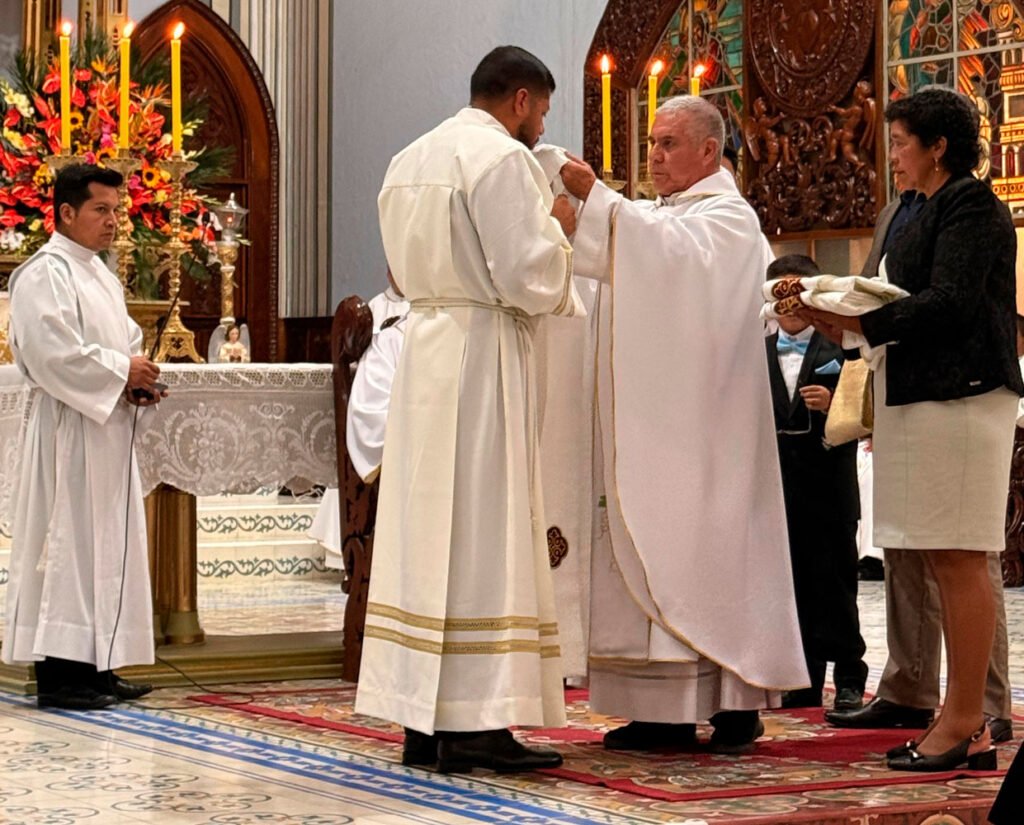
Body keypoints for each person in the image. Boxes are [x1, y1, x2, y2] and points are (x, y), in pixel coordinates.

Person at [353, 46, 582, 773]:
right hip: (483, 353)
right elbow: (527, 274)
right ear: (519, 99)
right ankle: (478, 720)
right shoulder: (499, 159)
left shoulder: (407, 158)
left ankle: (425, 720)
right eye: (542, 112)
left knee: (429, 538)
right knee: (485, 531)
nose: (542, 128)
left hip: (426, 350)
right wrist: (563, 232)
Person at [560, 96, 808, 753]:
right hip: (659, 427)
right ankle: (656, 709)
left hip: (707, 435)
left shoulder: (729, 218)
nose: (655, 155)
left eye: (670, 143)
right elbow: (631, 260)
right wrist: (581, 224)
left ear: (709, 151)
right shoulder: (660, 218)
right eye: (652, 142)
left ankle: (732, 704)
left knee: (708, 559)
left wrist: (600, 204)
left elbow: (669, 262)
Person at [803, 88, 1022, 771]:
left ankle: (968, 719)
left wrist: (862, 320)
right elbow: (897, 290)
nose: (891, 155)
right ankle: (953, 712)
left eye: (900, 143)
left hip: (963, 393)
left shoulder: (973, 207)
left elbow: (953, 302)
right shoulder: (916, 211)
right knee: (937, 554)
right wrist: (840, 309)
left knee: (960, 555)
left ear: (939, 148)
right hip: (922, 393)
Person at [2, 164, 163, 709]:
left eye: (117, 210)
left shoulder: (100, 274)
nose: (113, 221)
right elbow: (52, 354)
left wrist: (136, 377)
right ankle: (62, 675)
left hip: (108, 429)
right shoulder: (44, 273)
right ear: (66, 213)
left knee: (105, 547)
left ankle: (99, 665)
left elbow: (125, 340)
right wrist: (121, 372)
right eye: (101, 210)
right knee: (69, 545)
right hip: (69, 431)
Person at [765, 254, 868, 713]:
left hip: (829, 488)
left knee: (836, 587)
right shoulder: (754, 351)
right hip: (775, 491)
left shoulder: (843, 348)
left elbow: (865, 412)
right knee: (792, 589)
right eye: (778, 295)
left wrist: (834, 403)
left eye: (796, 293)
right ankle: (802, 679)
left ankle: (849, 676)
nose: (788, 305)